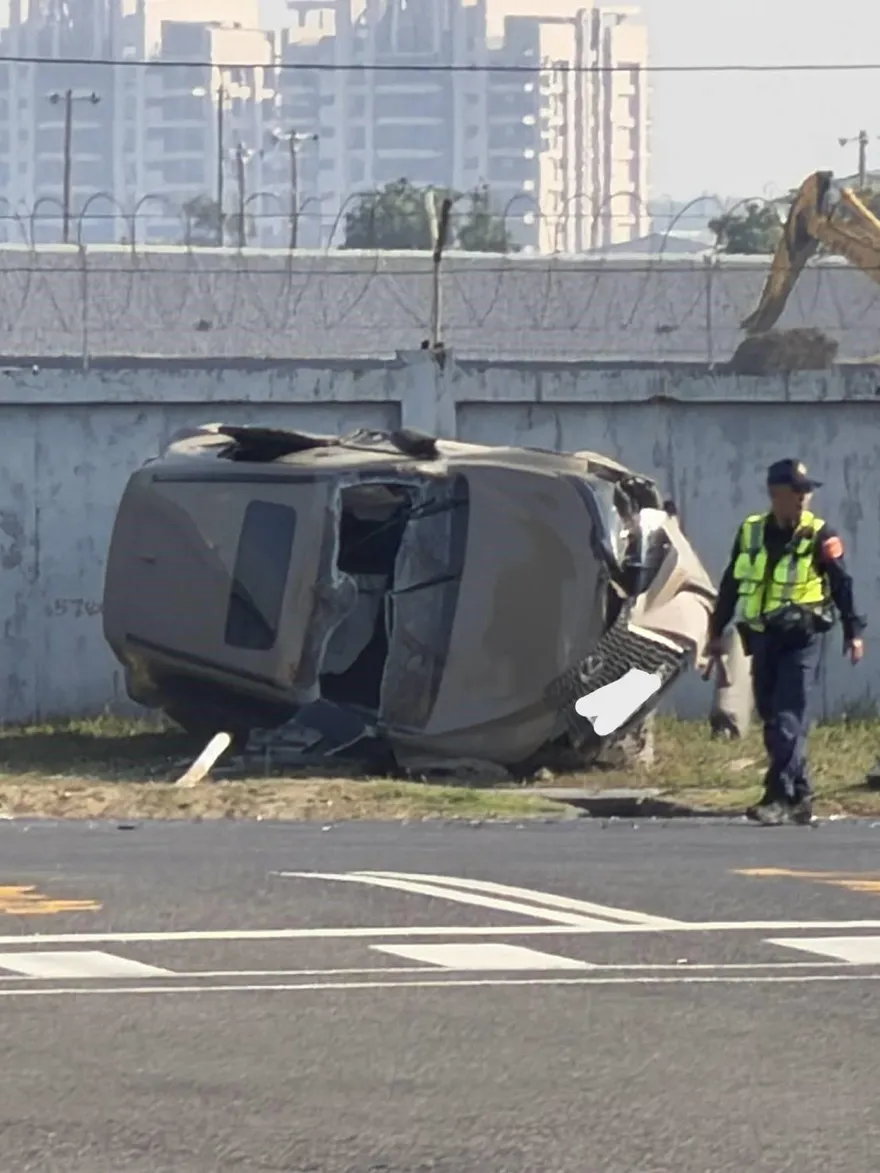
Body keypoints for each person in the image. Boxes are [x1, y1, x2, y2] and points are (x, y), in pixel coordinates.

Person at [705, 459, 865, 825]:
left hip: (802, 637)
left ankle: (778, 795)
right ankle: (801, 793)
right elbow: (731, 583)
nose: (806, 498)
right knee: (770, 713)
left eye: (807, 492)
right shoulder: (751, 533)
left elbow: (842, 584)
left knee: (788, 715)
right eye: (799, 492)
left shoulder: (821, 535)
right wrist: (715, 631)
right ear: (778, 495)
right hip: (761, 637)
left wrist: (854, 631)